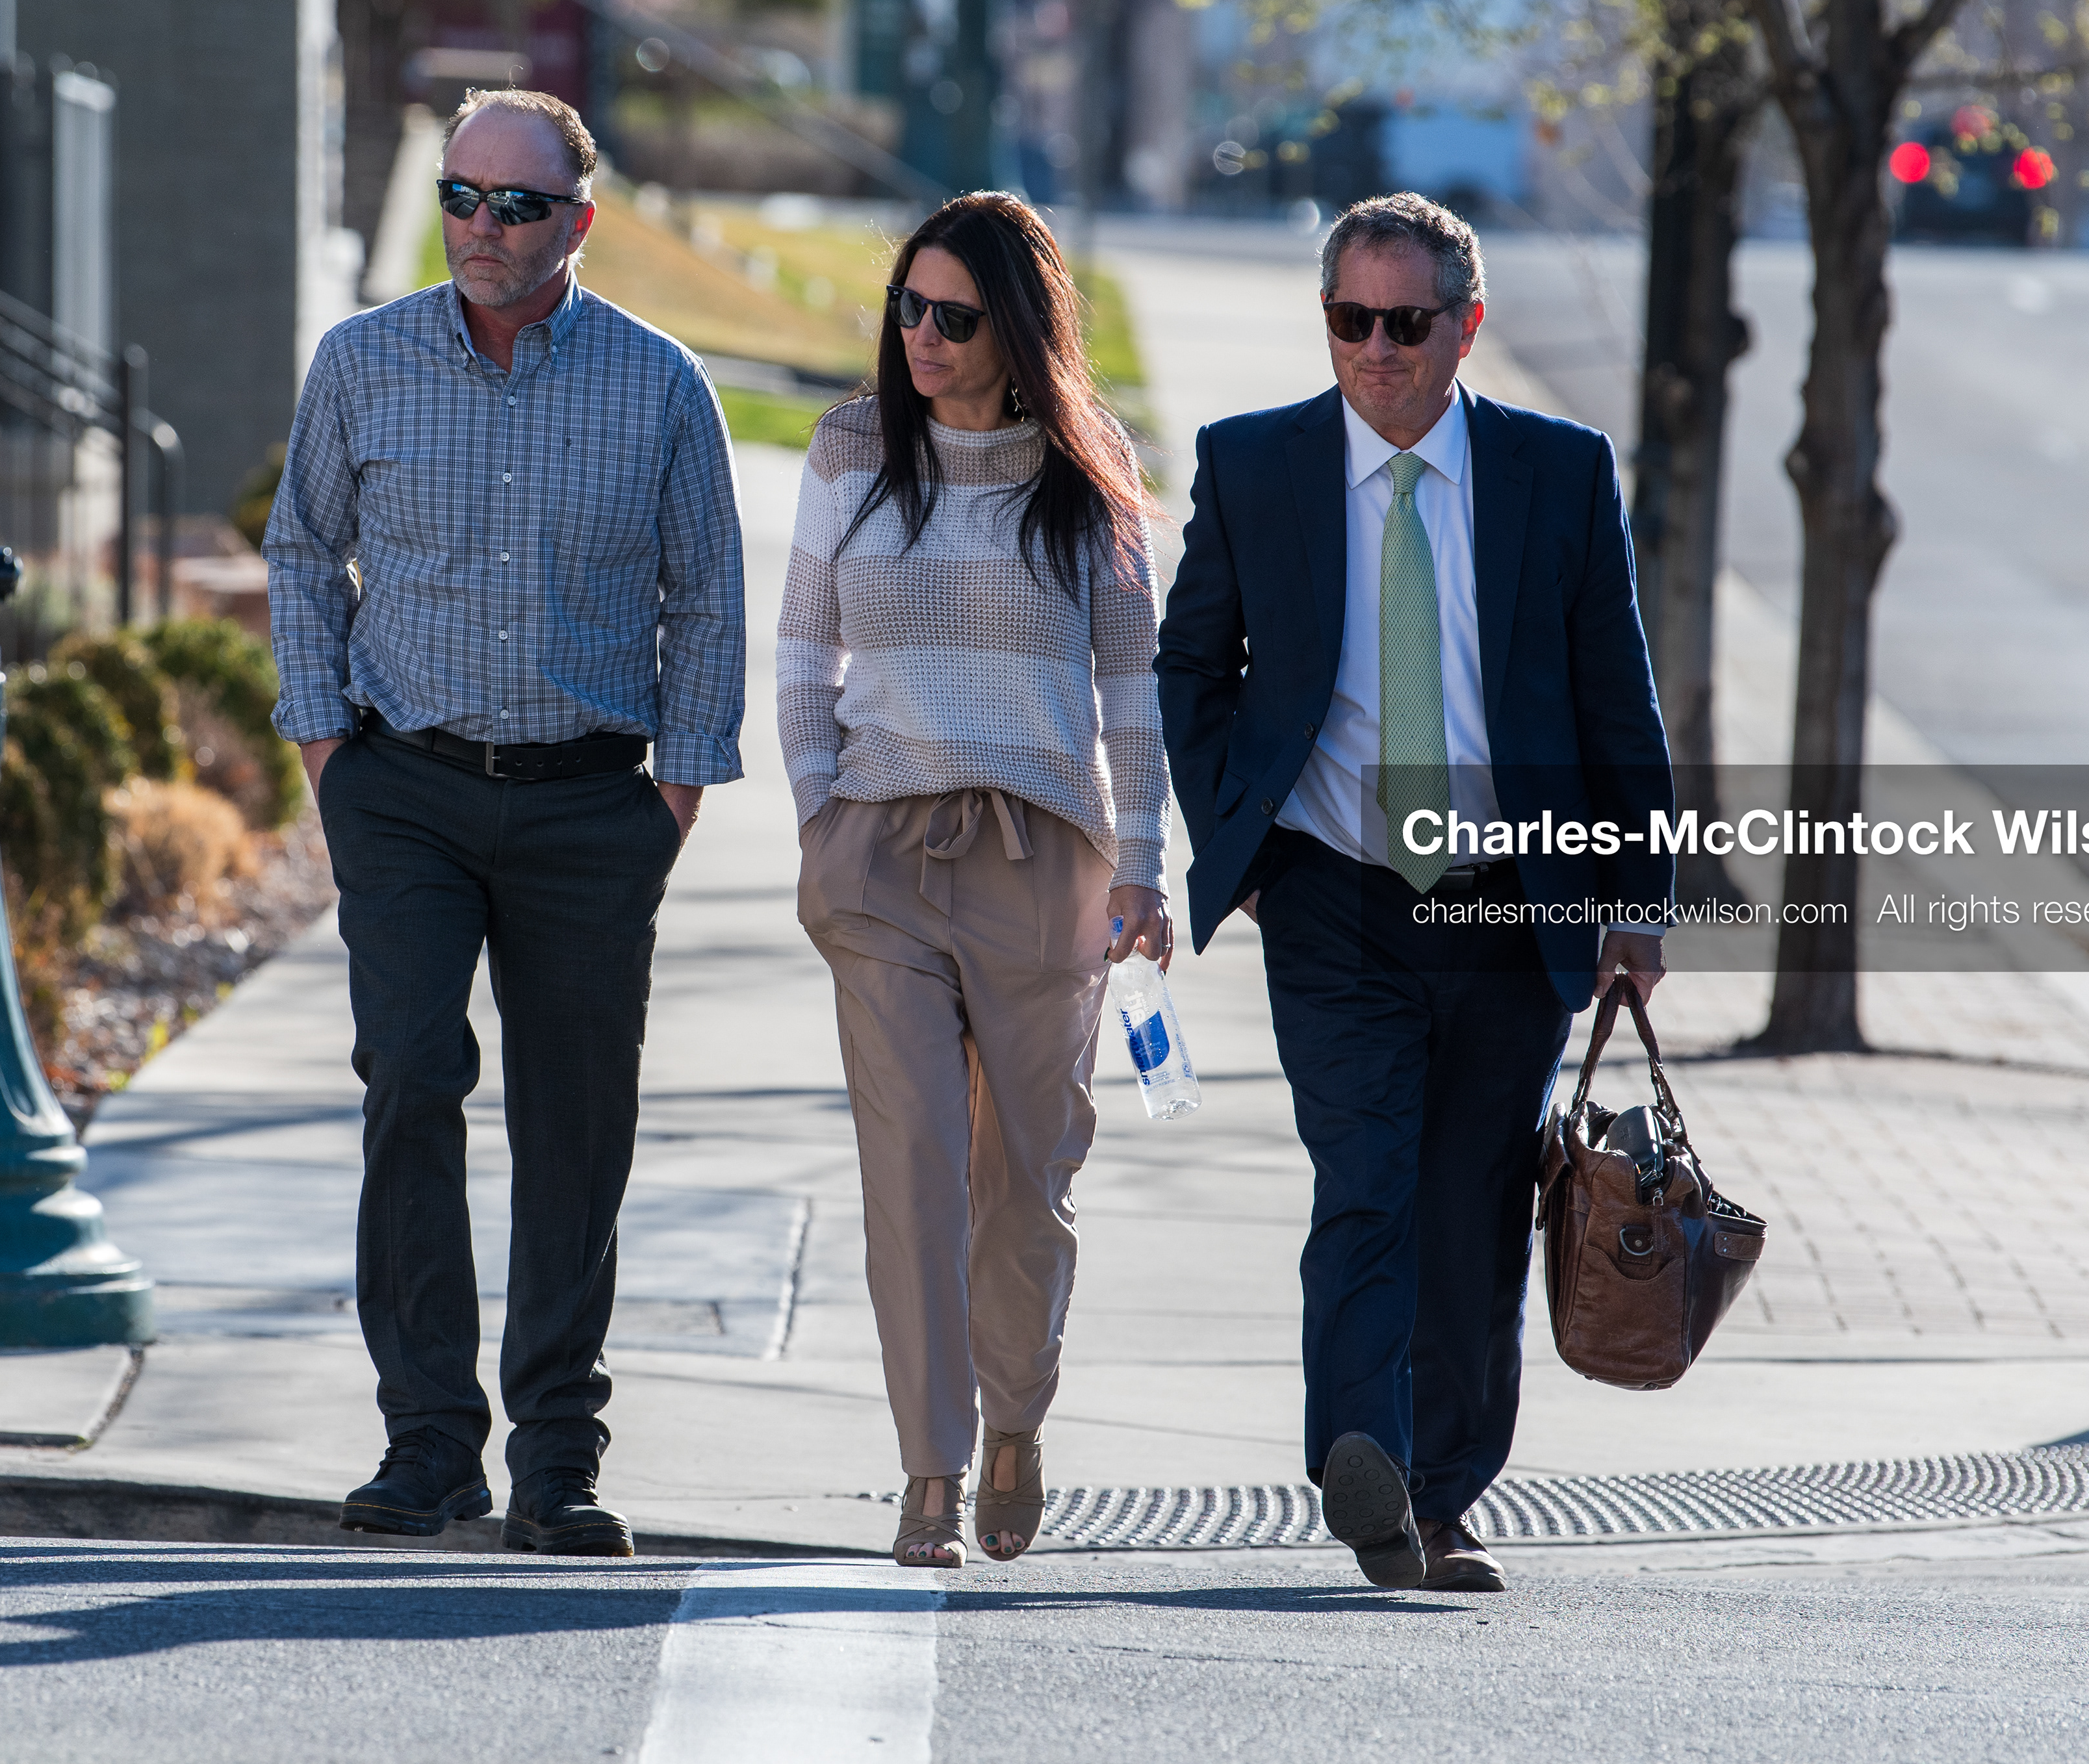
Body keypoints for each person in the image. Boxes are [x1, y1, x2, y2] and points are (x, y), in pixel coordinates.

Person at [1155, 192, 1672, 1592]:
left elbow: (1616, 699)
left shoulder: (1554, 477)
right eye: (1350, 320)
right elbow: (1190, 666)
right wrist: (1244, 846)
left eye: (1407, 322)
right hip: (1333, 891)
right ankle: (1359, 1458)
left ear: (1466, 326)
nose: (1377, 349)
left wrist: (1641, 891)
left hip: (1510, 899)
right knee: (1365, 1181)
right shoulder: (1254, 465)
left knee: (1472, 1203)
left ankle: (1441, 1495)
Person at [265, 88, 745, 1557]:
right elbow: (301, 548)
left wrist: (669, 798)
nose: (481, 226)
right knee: (410, 1074)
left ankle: (556, 1455)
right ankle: (428, 1442)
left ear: (577, 223)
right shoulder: (361, 362)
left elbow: (707, 596)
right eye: (464, 198)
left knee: (574, 1125)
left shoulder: (661, 383)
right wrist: (326, 756)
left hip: (593, 799)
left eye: (517, 205)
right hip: (400, 786)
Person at [778, 192, 1172, 1569]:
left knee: (1026, 1181)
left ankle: (1018, 1414)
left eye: (954, 315)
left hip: (1042, 855)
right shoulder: (851, 448)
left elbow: (1132, 691)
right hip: (881, 847)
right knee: (913, 1165)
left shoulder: (1087, 471)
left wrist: (1145, 867)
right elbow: (802, 654)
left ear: (1018, 326)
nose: (923, 338)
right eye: (909, 309)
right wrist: (823, 819)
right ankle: (929, 1466)